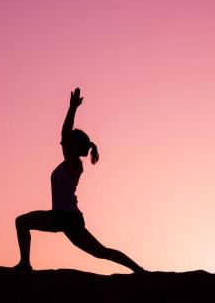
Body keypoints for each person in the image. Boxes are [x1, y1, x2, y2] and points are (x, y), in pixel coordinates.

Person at [14, 88, 144, 273]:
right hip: (63, 217)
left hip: (66, 218)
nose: (63, 142)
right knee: (22, 222)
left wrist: (72, 108)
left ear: (73, 146)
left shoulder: (73, 163)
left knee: (100, 252)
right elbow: (65, 135)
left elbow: (64, 133)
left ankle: (137, 269)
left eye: (68, 142)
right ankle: (25, 264)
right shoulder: (70, 163)